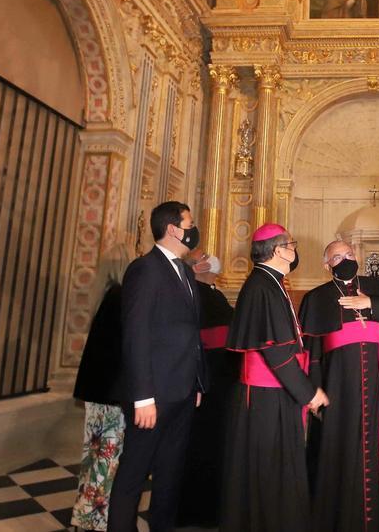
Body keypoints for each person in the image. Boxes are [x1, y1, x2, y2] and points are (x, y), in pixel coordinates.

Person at [221, 223, 329, 531]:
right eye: (291, 244)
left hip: (274, 392)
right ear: (278, 250)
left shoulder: (270, 283)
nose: (294, 250)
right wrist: (309, 393)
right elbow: (276, 352)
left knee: (276, 466)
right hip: (266, 395)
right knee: (268, 468)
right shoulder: (262, 287)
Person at [301, 240, 379, 531]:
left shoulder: (377, 286)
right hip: (338, 388)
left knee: (378, 446)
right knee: (338, 448)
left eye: (349, 254)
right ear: (327, 265)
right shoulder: (317, 297)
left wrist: (370, 304)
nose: (345, 259)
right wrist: (313, 390)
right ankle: (339, 519)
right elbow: (311, 353)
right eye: (337, 257)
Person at [109, 202, 206, 532]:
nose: (194, 229)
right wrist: (143, 397)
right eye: (189, 223)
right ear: (173, 229)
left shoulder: (187, 271)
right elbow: (136, 335)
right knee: (133, 475)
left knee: (170, 474)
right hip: (152, 397)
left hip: (182, 391)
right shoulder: (144, 269)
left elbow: (190, 332)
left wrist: (196, 383)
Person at [71, 246, 132, 531]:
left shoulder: (106, 296)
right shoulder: (121, 297)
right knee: (106, 461)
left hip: (98, 392)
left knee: (94, 458)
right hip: (111, 395)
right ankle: (94, 521)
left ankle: (85, 518)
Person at [177, 251, 238, 528]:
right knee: (203, 448)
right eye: (205, 256)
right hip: (209, 386)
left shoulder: (209, 293)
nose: (212, 258)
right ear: (197, 267)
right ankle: (200, 511)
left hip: (216, 386)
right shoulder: (198, 294)